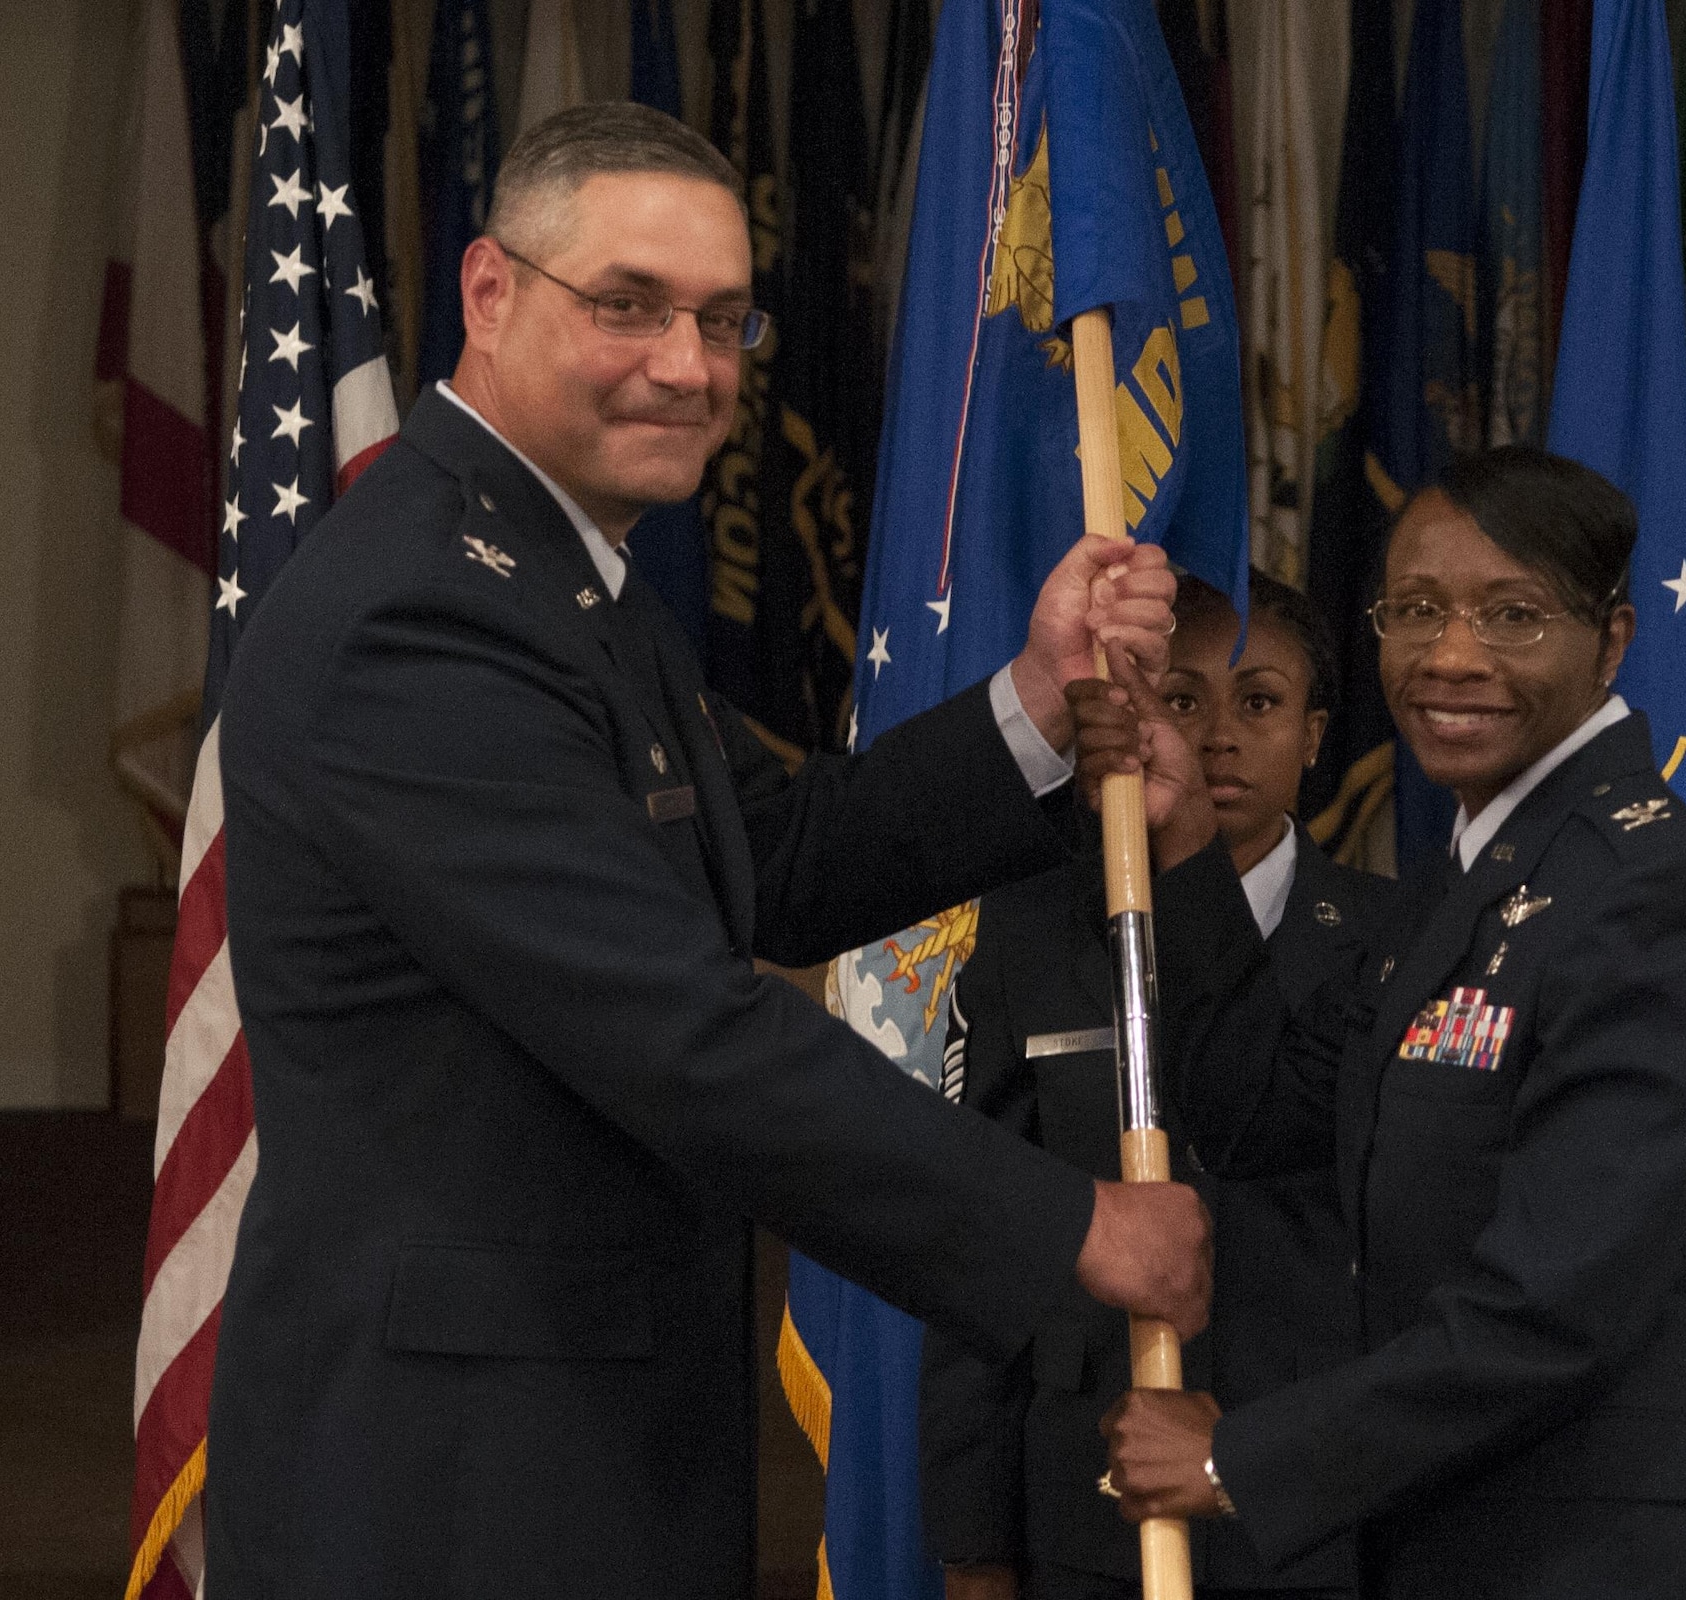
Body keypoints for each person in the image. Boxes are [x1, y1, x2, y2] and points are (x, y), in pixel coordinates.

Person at [205, 103, 1211, 1599]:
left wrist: (1039, 702)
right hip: (459, 1481)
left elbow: (781, 855)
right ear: (489, 293)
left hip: (574, 1428)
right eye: (626, 305)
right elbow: (680, 1030)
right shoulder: (421, 615)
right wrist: (1069, 1227)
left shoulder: (558, 573)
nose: (687, 364)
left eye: (722, 319)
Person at [1093, 448, 1686, 1598]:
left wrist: (1231, 1452)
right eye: (1416, 611)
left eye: (1511, 615)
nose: (1451, 655)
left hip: (1628, 1563)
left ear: (1609, 640)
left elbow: (1550, 1312)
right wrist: (1189, 835)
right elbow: (1253, 1113)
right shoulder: (1462, 877)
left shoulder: (1642, 894)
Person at [921, 572, 1389, 1600]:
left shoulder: (1401, 944)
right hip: (1084, 1502)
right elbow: (976, 1251)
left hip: (1319, 1519)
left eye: (1258, 701)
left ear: (1316, 733)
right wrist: (974, 1546)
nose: (1218, 735)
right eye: (1181, 699)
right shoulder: (1029, 937)